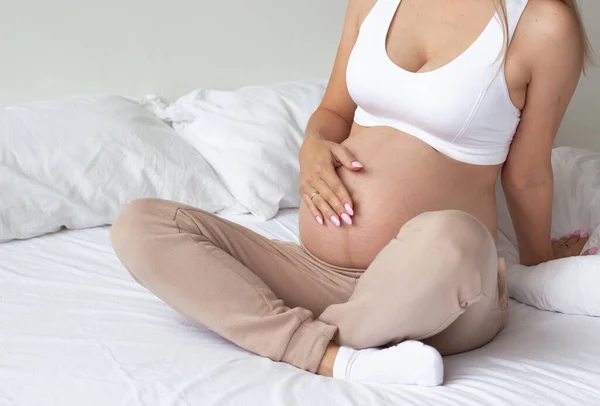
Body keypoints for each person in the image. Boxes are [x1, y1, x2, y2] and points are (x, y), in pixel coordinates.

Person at [110, 0, 595, 386]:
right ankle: (334, 355)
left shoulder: (542, 24)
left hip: (436, 291)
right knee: (142, 223)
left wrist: (538, 266)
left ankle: (287, 331)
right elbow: (331, 114)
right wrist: (313, 150)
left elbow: (526, 175)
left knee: (455, 236)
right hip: (315, 274)